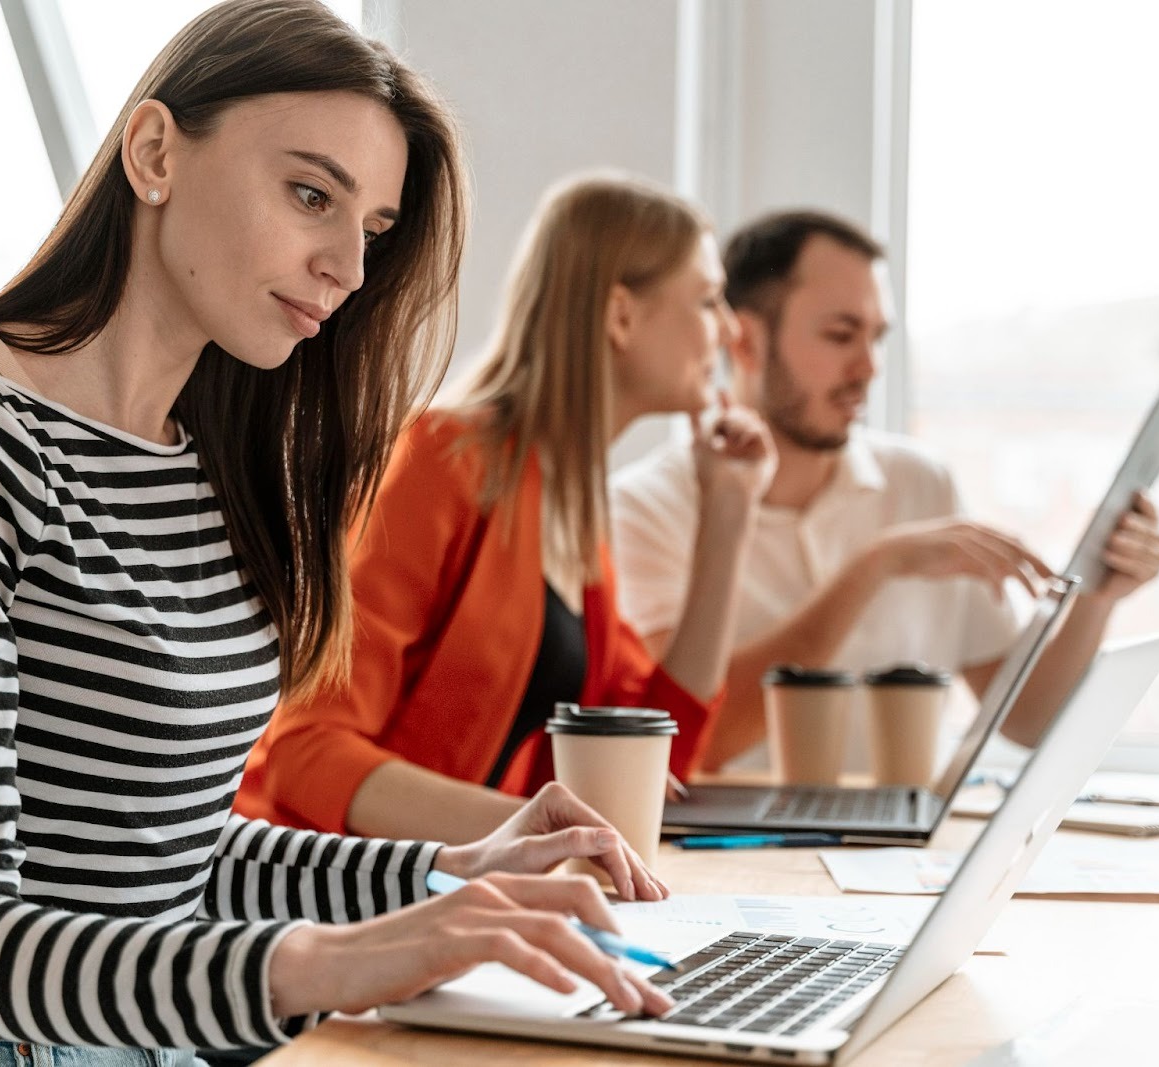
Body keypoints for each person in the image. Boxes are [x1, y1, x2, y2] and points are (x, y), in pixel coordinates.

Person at [0, 5, 677, 1064]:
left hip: (155, 1034)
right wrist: (333, 958)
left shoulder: (218, 464)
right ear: (155, 152)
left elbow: (162, 854)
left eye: (369, 230)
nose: (348, 270)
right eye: (310, 194)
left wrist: (449, 870)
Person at [235, 173, 775, 841]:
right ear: (621, 315)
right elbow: (304, 751)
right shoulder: (443, 461)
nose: (727, 330)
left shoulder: (567, 505)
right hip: (325, 899)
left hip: (451, 895)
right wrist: (538, 833)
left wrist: (729, 517)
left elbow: (653, 747)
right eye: (709, 299)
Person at [610, 209, 1159, 772]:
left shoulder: (920, 483)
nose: (869, 367)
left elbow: (1024, 719)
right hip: (741, 855)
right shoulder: (644, 508)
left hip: (902, 851)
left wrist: (1097, 600)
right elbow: (695, 741)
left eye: (876, 337)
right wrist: (873, 567)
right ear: (746, 341)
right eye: (841, 335)